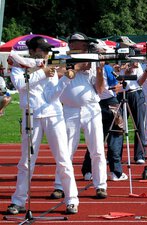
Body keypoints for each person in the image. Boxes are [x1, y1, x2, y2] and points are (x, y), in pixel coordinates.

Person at [7, 36, 79, 215]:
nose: (46, 53)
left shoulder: (49, 66)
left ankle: (71, 199)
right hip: (31, 115)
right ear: (31, 52)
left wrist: (66, 79)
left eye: (47, 50)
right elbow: (20, 85)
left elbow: (53, 95)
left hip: (53, 114)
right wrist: (42, 72)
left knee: (63, 158)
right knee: (26, 161)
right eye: (42, 50)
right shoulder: (18, 65)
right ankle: (19, 200)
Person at [50, 32, 108, 200]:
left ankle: (100, 185)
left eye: (83, 44)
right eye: (78, 43)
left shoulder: (91, 60)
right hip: (69, 109)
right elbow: (56, 71)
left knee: (97, 149)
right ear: (72, 44)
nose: (82, 46)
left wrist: (99, 69)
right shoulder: (62, 58)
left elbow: (100, 89)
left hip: (91, 108)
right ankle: (60, 186)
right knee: (66, 150)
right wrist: (77, 66)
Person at [81, 61, 128, 181]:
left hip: (93, 104)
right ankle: (115, 171)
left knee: (94, 138)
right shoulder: (106, 68)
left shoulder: (83, 67)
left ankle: (88, 170)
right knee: (116, 136)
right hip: (110, 104)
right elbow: (115, 86)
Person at [118, 61, 147, 164]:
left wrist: (146, 72)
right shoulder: (118, 63)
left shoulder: (137, 64)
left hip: (135, 93)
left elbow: (139, 82)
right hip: (121, 93)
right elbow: (117, 78)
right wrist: (126, 69)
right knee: (118, 125)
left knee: (139, 125)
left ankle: (140, 155)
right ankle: (115, 155)